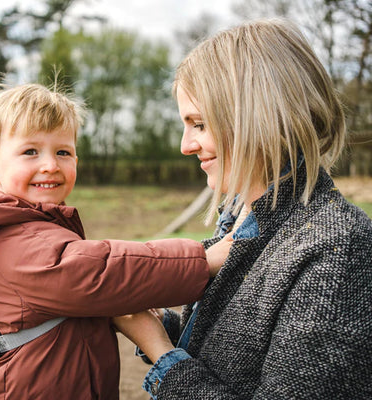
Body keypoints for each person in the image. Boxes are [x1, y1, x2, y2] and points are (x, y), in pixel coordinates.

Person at [0, 83, 232, 399]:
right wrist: (204, 260)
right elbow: (98, 271)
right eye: (30, 152)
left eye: (63, 152)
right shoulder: (12, 239)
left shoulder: (34, 226)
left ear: (76, 163)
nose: (50, 164)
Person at [113, 18, 372, 399]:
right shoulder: (242, 220)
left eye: (198, 124)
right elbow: (234, 354)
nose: (186, 145)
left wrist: (162, 354)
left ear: (258, 116)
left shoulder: (336, 246)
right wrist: (160, 325)